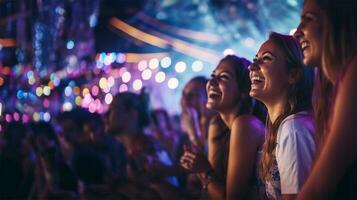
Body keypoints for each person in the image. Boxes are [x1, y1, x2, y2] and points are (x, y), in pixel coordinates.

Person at [294, 0, 357, 199]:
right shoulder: (332, 89)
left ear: (337, 21)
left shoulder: (354, 72)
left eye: (308, 20)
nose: (297, 32)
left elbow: (319, 187)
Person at [180, 55, 265, 199]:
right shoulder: (217, 124)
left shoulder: (246, 124)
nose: (212, 81)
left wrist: (202, 171)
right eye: (213, 76)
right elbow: (211, 191)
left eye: (223, 77)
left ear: (244, 91)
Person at [249, 32, 315, 199]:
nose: (252, 66)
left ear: (292, 74)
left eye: (266, 58)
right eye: (255, 58)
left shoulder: (294, 128)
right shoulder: (285, 126)